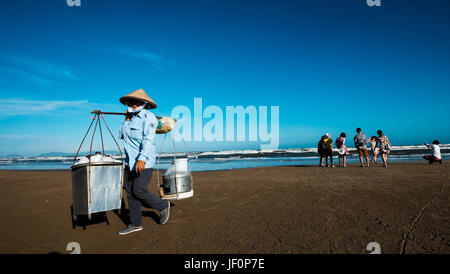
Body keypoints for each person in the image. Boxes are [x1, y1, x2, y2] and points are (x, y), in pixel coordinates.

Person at [117, 89, 170, 235]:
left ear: (144, 103)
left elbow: (148, 140)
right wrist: (126, 120)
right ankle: (135, 223)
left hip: (143, 161)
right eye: (131, 101)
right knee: (130, 192)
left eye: (137, 101)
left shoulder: (149, 118)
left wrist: (141, 158)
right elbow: (121, 135)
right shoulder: (131, 118)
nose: (133, 104)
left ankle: (163, 205)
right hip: (129, 162)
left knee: (138, 190)